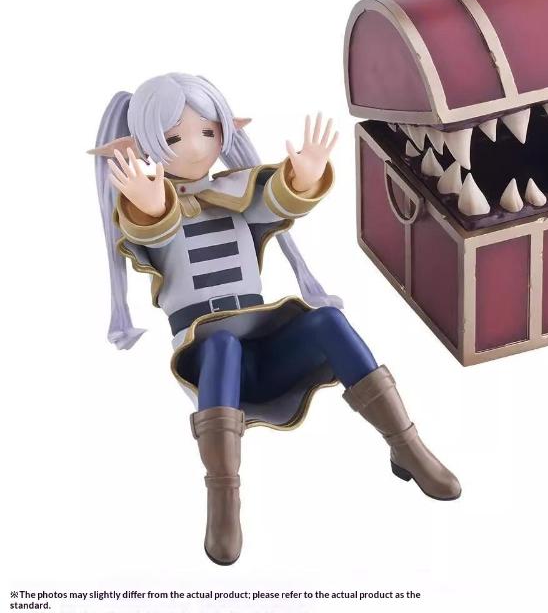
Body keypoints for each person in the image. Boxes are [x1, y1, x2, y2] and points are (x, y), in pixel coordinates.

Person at [90, 72, 461, 565]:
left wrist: (303, 177)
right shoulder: (151, 205)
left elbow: (275, 200)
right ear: (145, 145)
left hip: (263, 346)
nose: (196, 146)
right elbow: (151, 235)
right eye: (174, 138)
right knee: (221, 343)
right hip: (210, 360)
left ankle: (407, 446)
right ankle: (223, 498)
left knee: (327, 320)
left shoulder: (236, 190)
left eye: (208, 131)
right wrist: (151, 205)